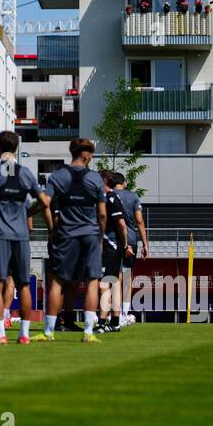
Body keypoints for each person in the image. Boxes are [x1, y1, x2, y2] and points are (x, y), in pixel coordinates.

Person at [39, 139, 107, 343]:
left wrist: (52, 228)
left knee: (57, 282)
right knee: (92, 282)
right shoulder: (95, 179)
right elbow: (102, 214)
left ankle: (49, 332)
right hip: (90, 235)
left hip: (65, 234)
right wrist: (100, 237)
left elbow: (45, 203)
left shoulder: (57, 176)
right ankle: (88, 332)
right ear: (86, 155)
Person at [0, 132, 41, 344]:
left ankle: (0, 334)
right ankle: (24, 334)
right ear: (16, 147)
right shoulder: (25, 172)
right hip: (21, 236)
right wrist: (27, 214)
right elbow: (44, 201)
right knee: (23, 285)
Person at [95, 170, 129, 333]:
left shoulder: (110, 198)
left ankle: (102, 322)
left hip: (110, 248)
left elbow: (121, 224)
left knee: (104, 285)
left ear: (104, 181)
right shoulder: (106, 197)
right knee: (114, 284)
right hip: (113, 248)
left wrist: (124, 244)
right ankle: (115, 322)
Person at [112, 172, 147, 324]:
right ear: (124, 183)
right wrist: (145, 243)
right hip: (131, 239)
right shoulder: (133, 196)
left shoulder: (108, 195)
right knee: (126, 277)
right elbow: (139, 221)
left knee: (112, 277)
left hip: (112, 240)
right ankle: (124, 313)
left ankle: (111, 312)